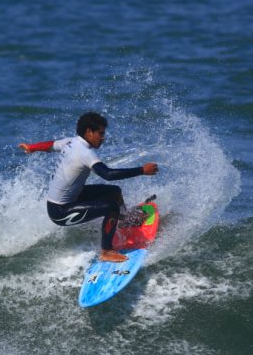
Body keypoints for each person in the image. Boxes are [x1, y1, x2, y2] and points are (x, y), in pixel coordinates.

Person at [19, 112, 159, 262]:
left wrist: (32, 147)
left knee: (114, 192)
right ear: (88, 132)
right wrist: (142, 170)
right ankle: (106, 251)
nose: (103, 137)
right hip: (60, 211)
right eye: (100, 133)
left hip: (72, 196)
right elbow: (108, 174)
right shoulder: (85, 152)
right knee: (111, 207)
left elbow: (50, 145)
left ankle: (123, 220)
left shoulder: (71, 142)